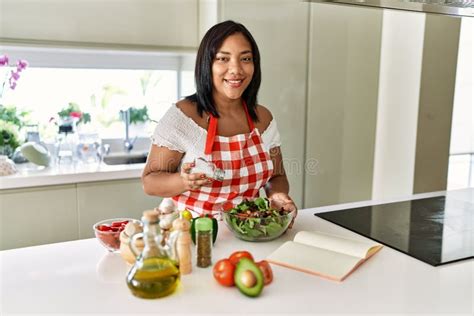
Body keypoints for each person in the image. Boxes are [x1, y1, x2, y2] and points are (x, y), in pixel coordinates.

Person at [142, 20, 297, 224]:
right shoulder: (184, 117)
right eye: (223, 58)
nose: (236, 70)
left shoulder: (263, 119)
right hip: (190, 233)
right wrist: (183, 181)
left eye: (246, 58)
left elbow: (276, 177)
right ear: (207, 64)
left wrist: (276, 196)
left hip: (248, 230)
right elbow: (150, 181)